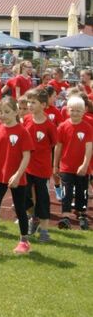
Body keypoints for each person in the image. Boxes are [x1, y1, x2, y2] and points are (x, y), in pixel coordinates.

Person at [0, 96, 34, 256]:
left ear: (16, 112)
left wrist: (17, 175)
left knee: (20, 209)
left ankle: (24, 241)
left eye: (7, 112)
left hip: (17, 179)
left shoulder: (23, 132)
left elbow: (26, 156)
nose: (2, 115)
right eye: (0, 112)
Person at [53, 95, 93, 230]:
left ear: (83, 112)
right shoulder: (63, 127)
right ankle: (65, 216)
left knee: (82, 191)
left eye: (78, 110)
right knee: (67, 192)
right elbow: (58, 147)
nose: (75, 113)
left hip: (82, 168)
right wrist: (55, 165)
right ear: (68, 110)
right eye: (72, 110)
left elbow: (89, 147)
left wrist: (85, 164)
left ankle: (82, 215)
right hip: (66, 167)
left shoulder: (87, 127)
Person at [23, 88, 57, 241]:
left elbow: (54, 144)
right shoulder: (27, 120)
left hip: (42, 168)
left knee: (43, 199)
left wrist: (55, 165)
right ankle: (33, 217)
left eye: (33, 102)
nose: (29, 105)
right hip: (26, 167)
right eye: (28, 102)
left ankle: (44, 231)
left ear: (43, 105)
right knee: (23, 195)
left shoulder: (49, 125)